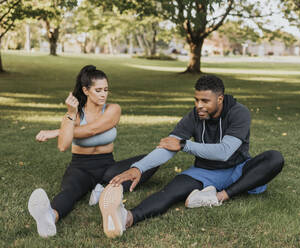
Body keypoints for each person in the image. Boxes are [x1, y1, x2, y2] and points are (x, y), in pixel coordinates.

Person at [98, 75, 284, 238]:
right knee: (170, 192)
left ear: (220, 99)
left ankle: (217, 197)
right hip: (204, 172)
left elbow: (225, 151)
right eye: (196, 100)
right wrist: (138, 167)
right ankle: (126, 218)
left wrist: (184, 145)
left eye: (205, 101)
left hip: (238, 169)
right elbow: (168, 146)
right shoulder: (194, 115)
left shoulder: (239, 112)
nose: (199, 106)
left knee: (274, 158)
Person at [28, 65, 158, 238]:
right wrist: (70, 114)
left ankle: (102, 190)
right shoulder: (74, 115)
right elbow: (63, 146)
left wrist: (55, 131)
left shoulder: (113, 109)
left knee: (151, 160)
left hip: (107, 166)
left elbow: (93, 130)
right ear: (86, 90)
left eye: (106, 89)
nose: (103, 94)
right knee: (70, 192)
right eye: (98, 90)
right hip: (80, 167)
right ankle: (50, 217)